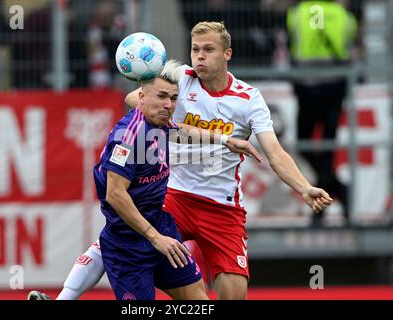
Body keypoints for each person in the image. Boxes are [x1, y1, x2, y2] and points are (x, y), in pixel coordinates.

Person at [28, 21, 332, 301]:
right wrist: (169, 110)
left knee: (233, 295)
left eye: (208, 50)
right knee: (120, 236)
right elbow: (135, 99)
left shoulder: (248, 99)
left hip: (222, 206)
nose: (199, 57)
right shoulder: (179, 79)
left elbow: (275, 152)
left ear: (227, 54)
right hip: (174, 194)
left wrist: (304, 188)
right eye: (195, 49)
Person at [28, 59, 262, 300]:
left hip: (161, 229)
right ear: (141, 97)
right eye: (161, 96)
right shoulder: (128, 138)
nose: (168, 105)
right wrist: (155, 237)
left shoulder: (160, 123)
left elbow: (181, 130)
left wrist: (226, 140)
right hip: (129, 245)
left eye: (173, 99)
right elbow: (115, 194)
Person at [286, 0, 358, 226]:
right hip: (335, 88)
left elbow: (291, 44)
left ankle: (322, 208)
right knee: (327, 150)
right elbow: (350, 46)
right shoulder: (345, 17)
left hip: (307, 87)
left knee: (303, 144)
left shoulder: (297, 13)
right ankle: (338, 190)